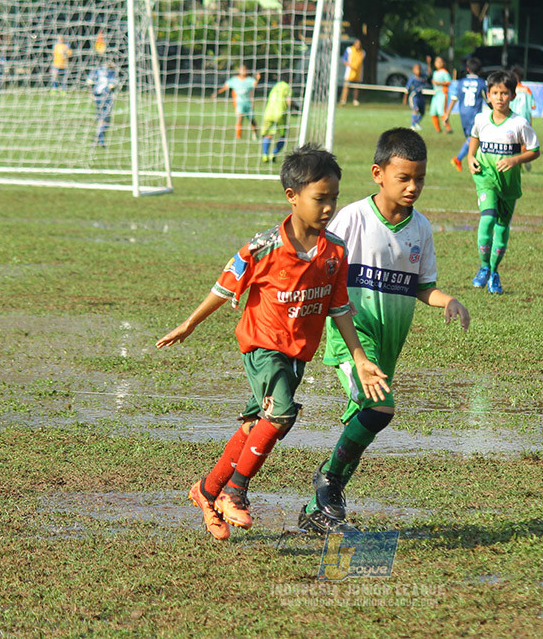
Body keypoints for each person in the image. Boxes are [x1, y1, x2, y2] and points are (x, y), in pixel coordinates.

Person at [156, 145, 390, 540]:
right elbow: (224, 286)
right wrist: (189, 324)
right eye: (320, 199)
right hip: (262, 347)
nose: (329, 208)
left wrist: (361, 358)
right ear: (292, 196)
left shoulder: (335, 251)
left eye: (334, 198)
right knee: (280, 414)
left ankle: (206, 491)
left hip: (297, 354)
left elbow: (339, 309)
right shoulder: (263, 248)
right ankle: (234, 492)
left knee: (258, 426)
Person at [296, 128, 470, 534]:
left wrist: (447, 300)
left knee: (366, 421)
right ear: (379, 174)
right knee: (379, 409)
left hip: (390, 343)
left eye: (420, 179)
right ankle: (328, 478)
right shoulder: (353, 218)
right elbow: (321, 264)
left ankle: (316, 510)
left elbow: (422, 287)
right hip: (353, 337)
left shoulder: (420, 228)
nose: (413, 187)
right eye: (403, 178)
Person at [467, 70, 541, 294]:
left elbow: (535, 151)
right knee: (488, 218)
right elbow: (474, 138)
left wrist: (515, 160)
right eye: (495, 93)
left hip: (508, 184)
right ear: (488, 95)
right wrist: (470, 157)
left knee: (501, 228)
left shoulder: (519, 123)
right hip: (485, 178)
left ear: (513, 96)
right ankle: (483, 267)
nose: (499, 97)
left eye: (504, 93)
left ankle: (493, 271)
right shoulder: (481, 119)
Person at [443, 57, 487, 172]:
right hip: (474, 114)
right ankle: (458, 159)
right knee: (474, 138)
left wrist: (447, 113)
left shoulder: (461, 82)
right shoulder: (481, 83)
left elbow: (454, 98)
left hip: (463, 114)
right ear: (480, 70)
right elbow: (487, 99)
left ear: (467, 69)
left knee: (473, 138)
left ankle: (476, 162)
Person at [213, 64, 259, 140]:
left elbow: (255, 84)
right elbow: (226, 86)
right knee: (239, 119)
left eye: (245, 70)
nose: (243, 71)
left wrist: (257, 79)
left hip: (248, 103)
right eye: (242, 70)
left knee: (252, 120)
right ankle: (238, 136)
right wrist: (217, 93)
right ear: (239, 71)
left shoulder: (249, 80)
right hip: (239, 103)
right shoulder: (234, 80)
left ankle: (255, 133)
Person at [260, 80, 293, 163]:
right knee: (283, 135)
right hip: (280, 113)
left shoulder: (275, 86)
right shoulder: (287, 87)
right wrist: (296, 107)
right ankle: (274, 154)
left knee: (268, 134)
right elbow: (289, 101)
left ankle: (265, 154)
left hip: (268, 113)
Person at [85, 61, 117, 147]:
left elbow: (89, 81)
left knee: (101, 118)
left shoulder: (97, 70)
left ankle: (99, 139)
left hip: (97, 96)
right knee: (105, 118)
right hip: (107, 97)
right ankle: (99, 138)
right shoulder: (111, 72)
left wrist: (91, 92)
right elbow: (113, 85)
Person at [429, 56, 453, 133]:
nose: (438, 63)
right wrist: (428, 62)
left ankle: (448, 128)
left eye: (440, 62)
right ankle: (438, 129)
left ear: (443, 63)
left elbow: (449, 82)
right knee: (433, 111)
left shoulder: (444, 72)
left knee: (442, 112)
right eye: (436, 62)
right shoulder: (435, 72)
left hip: (442, 94)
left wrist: (439, 83)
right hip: (436, 94)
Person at [339, 39, 365, 106]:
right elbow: (344, 60)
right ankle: (343, 100)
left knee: (356, 87)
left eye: (359, 44)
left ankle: (355, 100)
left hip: (358, 73)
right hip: (350, 72)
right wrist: (351, 66)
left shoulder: (362, 52)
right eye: (357, 44)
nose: (358, 46)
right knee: (346, 86)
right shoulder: (349, 50)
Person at [403, 63, 428, 131]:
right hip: (414, 96)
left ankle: (417, 123)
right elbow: (407, 89)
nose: (418, 71)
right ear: (413, 70)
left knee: (422, 112)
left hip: (421, 96)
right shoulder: (412, 79)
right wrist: (405, 98)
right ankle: (413, 125)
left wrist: (428, 63)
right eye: (417, 69)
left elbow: (429, 73)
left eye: (419, 69)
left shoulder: (423, 77)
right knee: (415, 109)